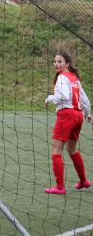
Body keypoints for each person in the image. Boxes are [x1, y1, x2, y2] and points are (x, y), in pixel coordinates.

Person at [45, 51, 91, 195]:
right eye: (55, 61)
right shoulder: (74, 78)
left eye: (60, 61)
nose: (56, 64)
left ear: (67, 63)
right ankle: (83, 181)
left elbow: (63, 96)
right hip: (78, 115)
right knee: (72, 150)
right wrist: (87, 113)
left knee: (56, 151)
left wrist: (49, 98)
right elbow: (84, 100)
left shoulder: (62, 78)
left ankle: (59, 187)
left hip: (67, 115)